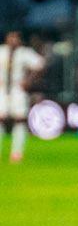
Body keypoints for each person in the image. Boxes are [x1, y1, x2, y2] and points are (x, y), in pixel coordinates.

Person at [1, 32, 45, 163]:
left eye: (15, 38)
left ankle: (17, 152)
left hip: (17, 89)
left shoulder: (25, 53)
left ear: (19, 40)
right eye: (10, 37)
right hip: (2, 89)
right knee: (0, 120)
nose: (13, 40)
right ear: (6, 39)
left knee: (19, 120)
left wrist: (28, 81)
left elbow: (40, 64)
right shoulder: (1, 51)